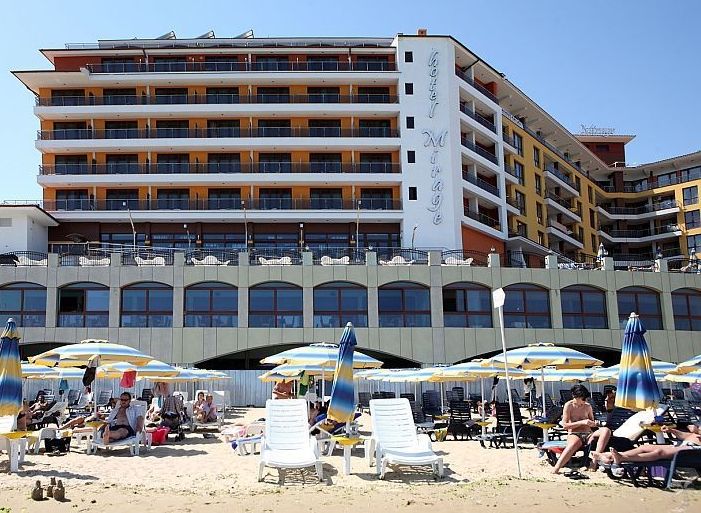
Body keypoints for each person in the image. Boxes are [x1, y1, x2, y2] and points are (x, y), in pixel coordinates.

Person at [593, 424, 701, 465]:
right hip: (685, 446)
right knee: (645, 447)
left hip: (694, 450)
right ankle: (609, 456)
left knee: (659, 452)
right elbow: (685, 436)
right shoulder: (695, 434)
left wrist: (697, 431)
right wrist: (671, 430)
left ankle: (621, 458)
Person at [552, 384, 596, 474]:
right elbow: (565, 425)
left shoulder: (587, 406)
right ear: (575, 397)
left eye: (585, 399)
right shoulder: (569, 406)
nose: (584, 401)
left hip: (588, 433)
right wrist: (582, 422)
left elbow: (593, 422)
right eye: (582, 399)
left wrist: (592, 423)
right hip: (575, 433)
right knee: (573, 444)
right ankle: (557, 467)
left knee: (601, 437)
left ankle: (594, 464)